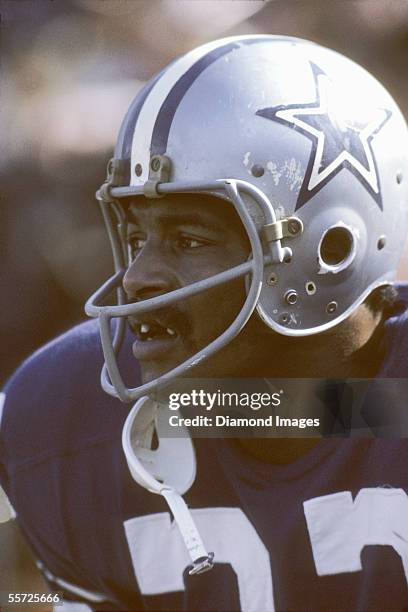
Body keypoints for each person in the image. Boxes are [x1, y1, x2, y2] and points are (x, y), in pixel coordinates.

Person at [1, 34, 408, 612]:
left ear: (330, 247)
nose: (138, 279)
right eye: (137, 236)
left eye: (188, 239)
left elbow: (349, 413)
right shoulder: (62, 415)